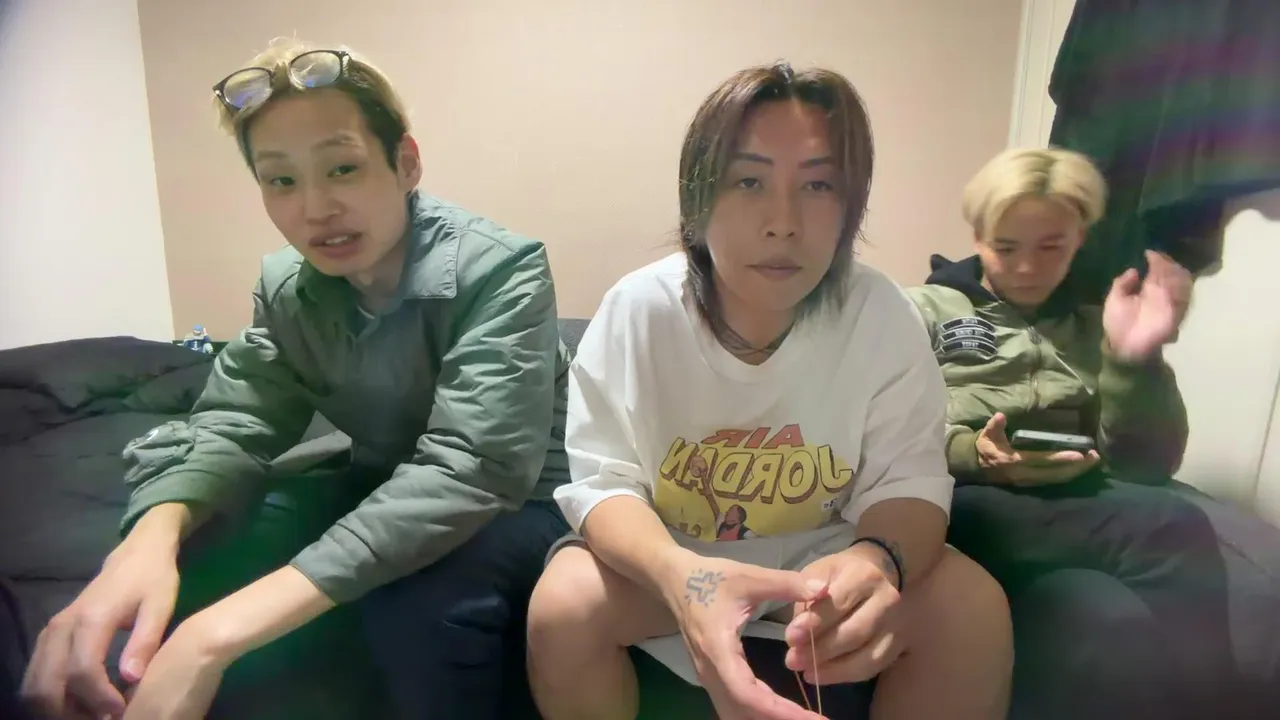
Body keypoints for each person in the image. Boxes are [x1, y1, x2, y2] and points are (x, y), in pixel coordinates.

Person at [20, 38, 570, 720]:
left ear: (405, 163)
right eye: (281, 181)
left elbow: (474, 469)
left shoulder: (503, 269)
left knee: (423, 609)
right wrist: (149, 539)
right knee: (204, 550)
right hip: (386, 479)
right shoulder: (288, 287)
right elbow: (237, 420)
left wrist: (213, 637)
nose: (315, 207)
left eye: (343, 168)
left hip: (524, 503)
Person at [525, 62, 1013, 720]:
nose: (783, 222)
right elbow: (604, 484)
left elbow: (910, 482)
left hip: (827, 559)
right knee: (565, 605)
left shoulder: (880, 315)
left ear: (850, 207)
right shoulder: (639, 311)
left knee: (971, 606)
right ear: (698, 201)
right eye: (749, 181)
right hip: (677, 560)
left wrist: (877, 563)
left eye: (818, 185)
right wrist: (682, 577)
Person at [905, 147, 1280, 719]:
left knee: (1101, 616)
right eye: (1006, 247)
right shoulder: (919, 311)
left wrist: (1133, 361)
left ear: (1079, 238)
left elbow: (1147, 464)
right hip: (969, 498)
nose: (1026, 268)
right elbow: (887, 430)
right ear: (977, 237)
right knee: (1170, 524)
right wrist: (971, 451)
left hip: (1078, 498)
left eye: (1050, 247)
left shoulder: (1095, 318)